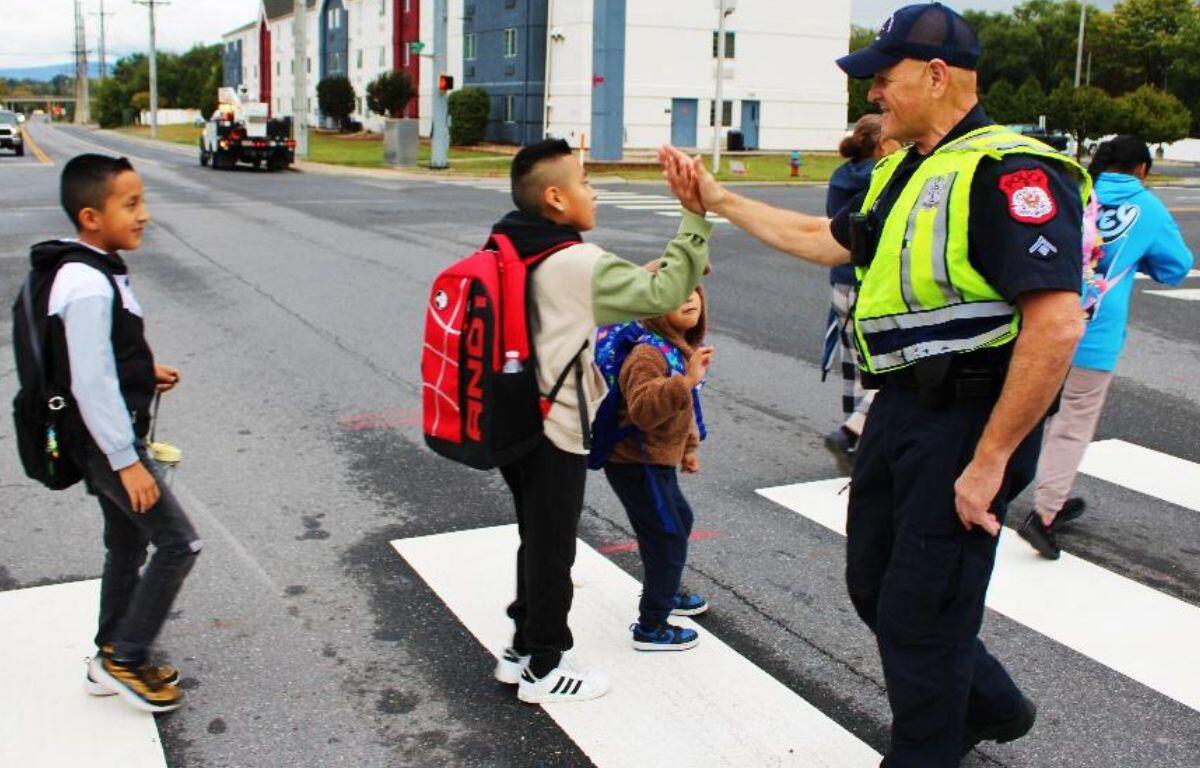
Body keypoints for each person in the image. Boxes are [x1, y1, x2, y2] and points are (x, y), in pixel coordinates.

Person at [659, 4, 1090, 765]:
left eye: (883, 78)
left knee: (924, 617)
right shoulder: (904, 169)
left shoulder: (1008, 170)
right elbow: (824, 239)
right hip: (901, 408)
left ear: (937, 75)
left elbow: (1055, 325)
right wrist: (717, 201)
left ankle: (930, 746)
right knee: (874, 586)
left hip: (970, 418)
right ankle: (993, 706)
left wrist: (990, 460)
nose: (872, 95)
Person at [489, 139, 712, 703]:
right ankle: (544, 667)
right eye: (586, 183)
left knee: (536, 539)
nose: (595, 194)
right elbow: (664, 291)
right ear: (556, 198)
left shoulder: (507, 245)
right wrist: (694, 216)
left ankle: (520, 649)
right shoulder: (575, 262)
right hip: (556, 426)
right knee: (554, 548)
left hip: (512, 419)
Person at [29, 154, 199, 712]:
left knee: (126, 544)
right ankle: (124, 657)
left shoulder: (86, 269)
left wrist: (143, 372)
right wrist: (127, 461)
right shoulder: (87, 283)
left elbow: (93, 357)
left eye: (142, 201)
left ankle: (111, 649)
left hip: (99, 435)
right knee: (179, 543)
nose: (143, 214)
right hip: (106, 442)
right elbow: (91, 381)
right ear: (91, 216)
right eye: (130, 204)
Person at [1017, 135, 1194, 559]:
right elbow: (1176, 267)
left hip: (1041, 319)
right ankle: (1045, 514)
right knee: (1074, 419)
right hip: (1093, 330)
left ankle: (996, 489)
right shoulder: (1148, 207)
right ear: (1142, 169)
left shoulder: (1072, 191)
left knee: (1024, 409)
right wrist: (1136, 257)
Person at [600, 286, 713, 651]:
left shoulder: (677, 346)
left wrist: (688, 449)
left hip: (655, 461)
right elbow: (644, 411)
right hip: (635, 463)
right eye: (676, 294)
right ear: (653, 306)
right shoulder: (648, 353)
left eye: (693, 291)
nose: (689, 299)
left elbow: (685, 407)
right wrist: (687, 380)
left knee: (679, 521)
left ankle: (665, 589)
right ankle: (651, 627)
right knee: (667, 536)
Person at [822, 115, 898, 472]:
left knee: (852, 366)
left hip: (840, 278)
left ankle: (855, 443)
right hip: (869, 280)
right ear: (882, 144)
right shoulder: (880, 178)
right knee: (886, 366)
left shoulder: (841, 175)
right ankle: (854, 432)